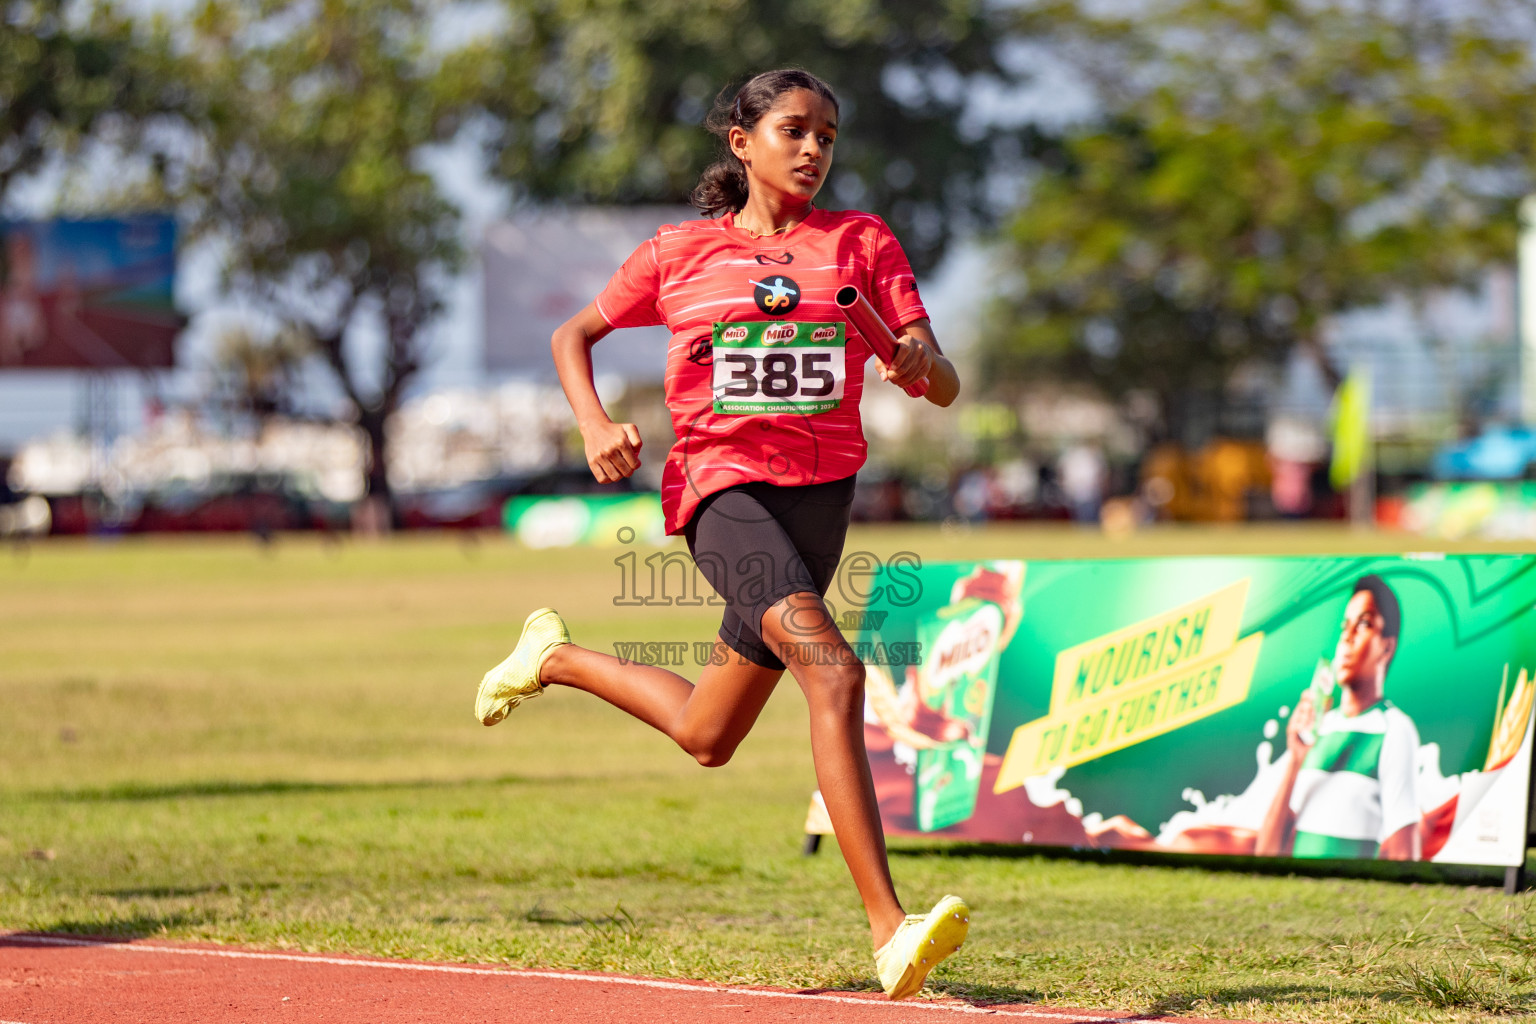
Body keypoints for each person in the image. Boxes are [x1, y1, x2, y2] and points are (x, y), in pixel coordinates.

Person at [474, 69, 968, 999]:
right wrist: (592, 425)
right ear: (742, 142)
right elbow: (572, 336)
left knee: (708, 734)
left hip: (822, 502)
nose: (815, 148)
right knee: (835, 669)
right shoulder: (677, 252)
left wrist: (916, 362)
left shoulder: (862, 244)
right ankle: (889, 930)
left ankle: (556, 659)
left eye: (828, 133)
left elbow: (942, 383)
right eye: (794, 129)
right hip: (720, 492)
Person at [1256, 575, 1422, 860]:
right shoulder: (1318, 729)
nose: (1347, 636)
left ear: (1387, 646)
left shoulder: (1394, 729)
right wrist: (1295, 759)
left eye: (1364, 624)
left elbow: (1402, 854)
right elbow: (1266, 853)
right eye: (1345, 625)